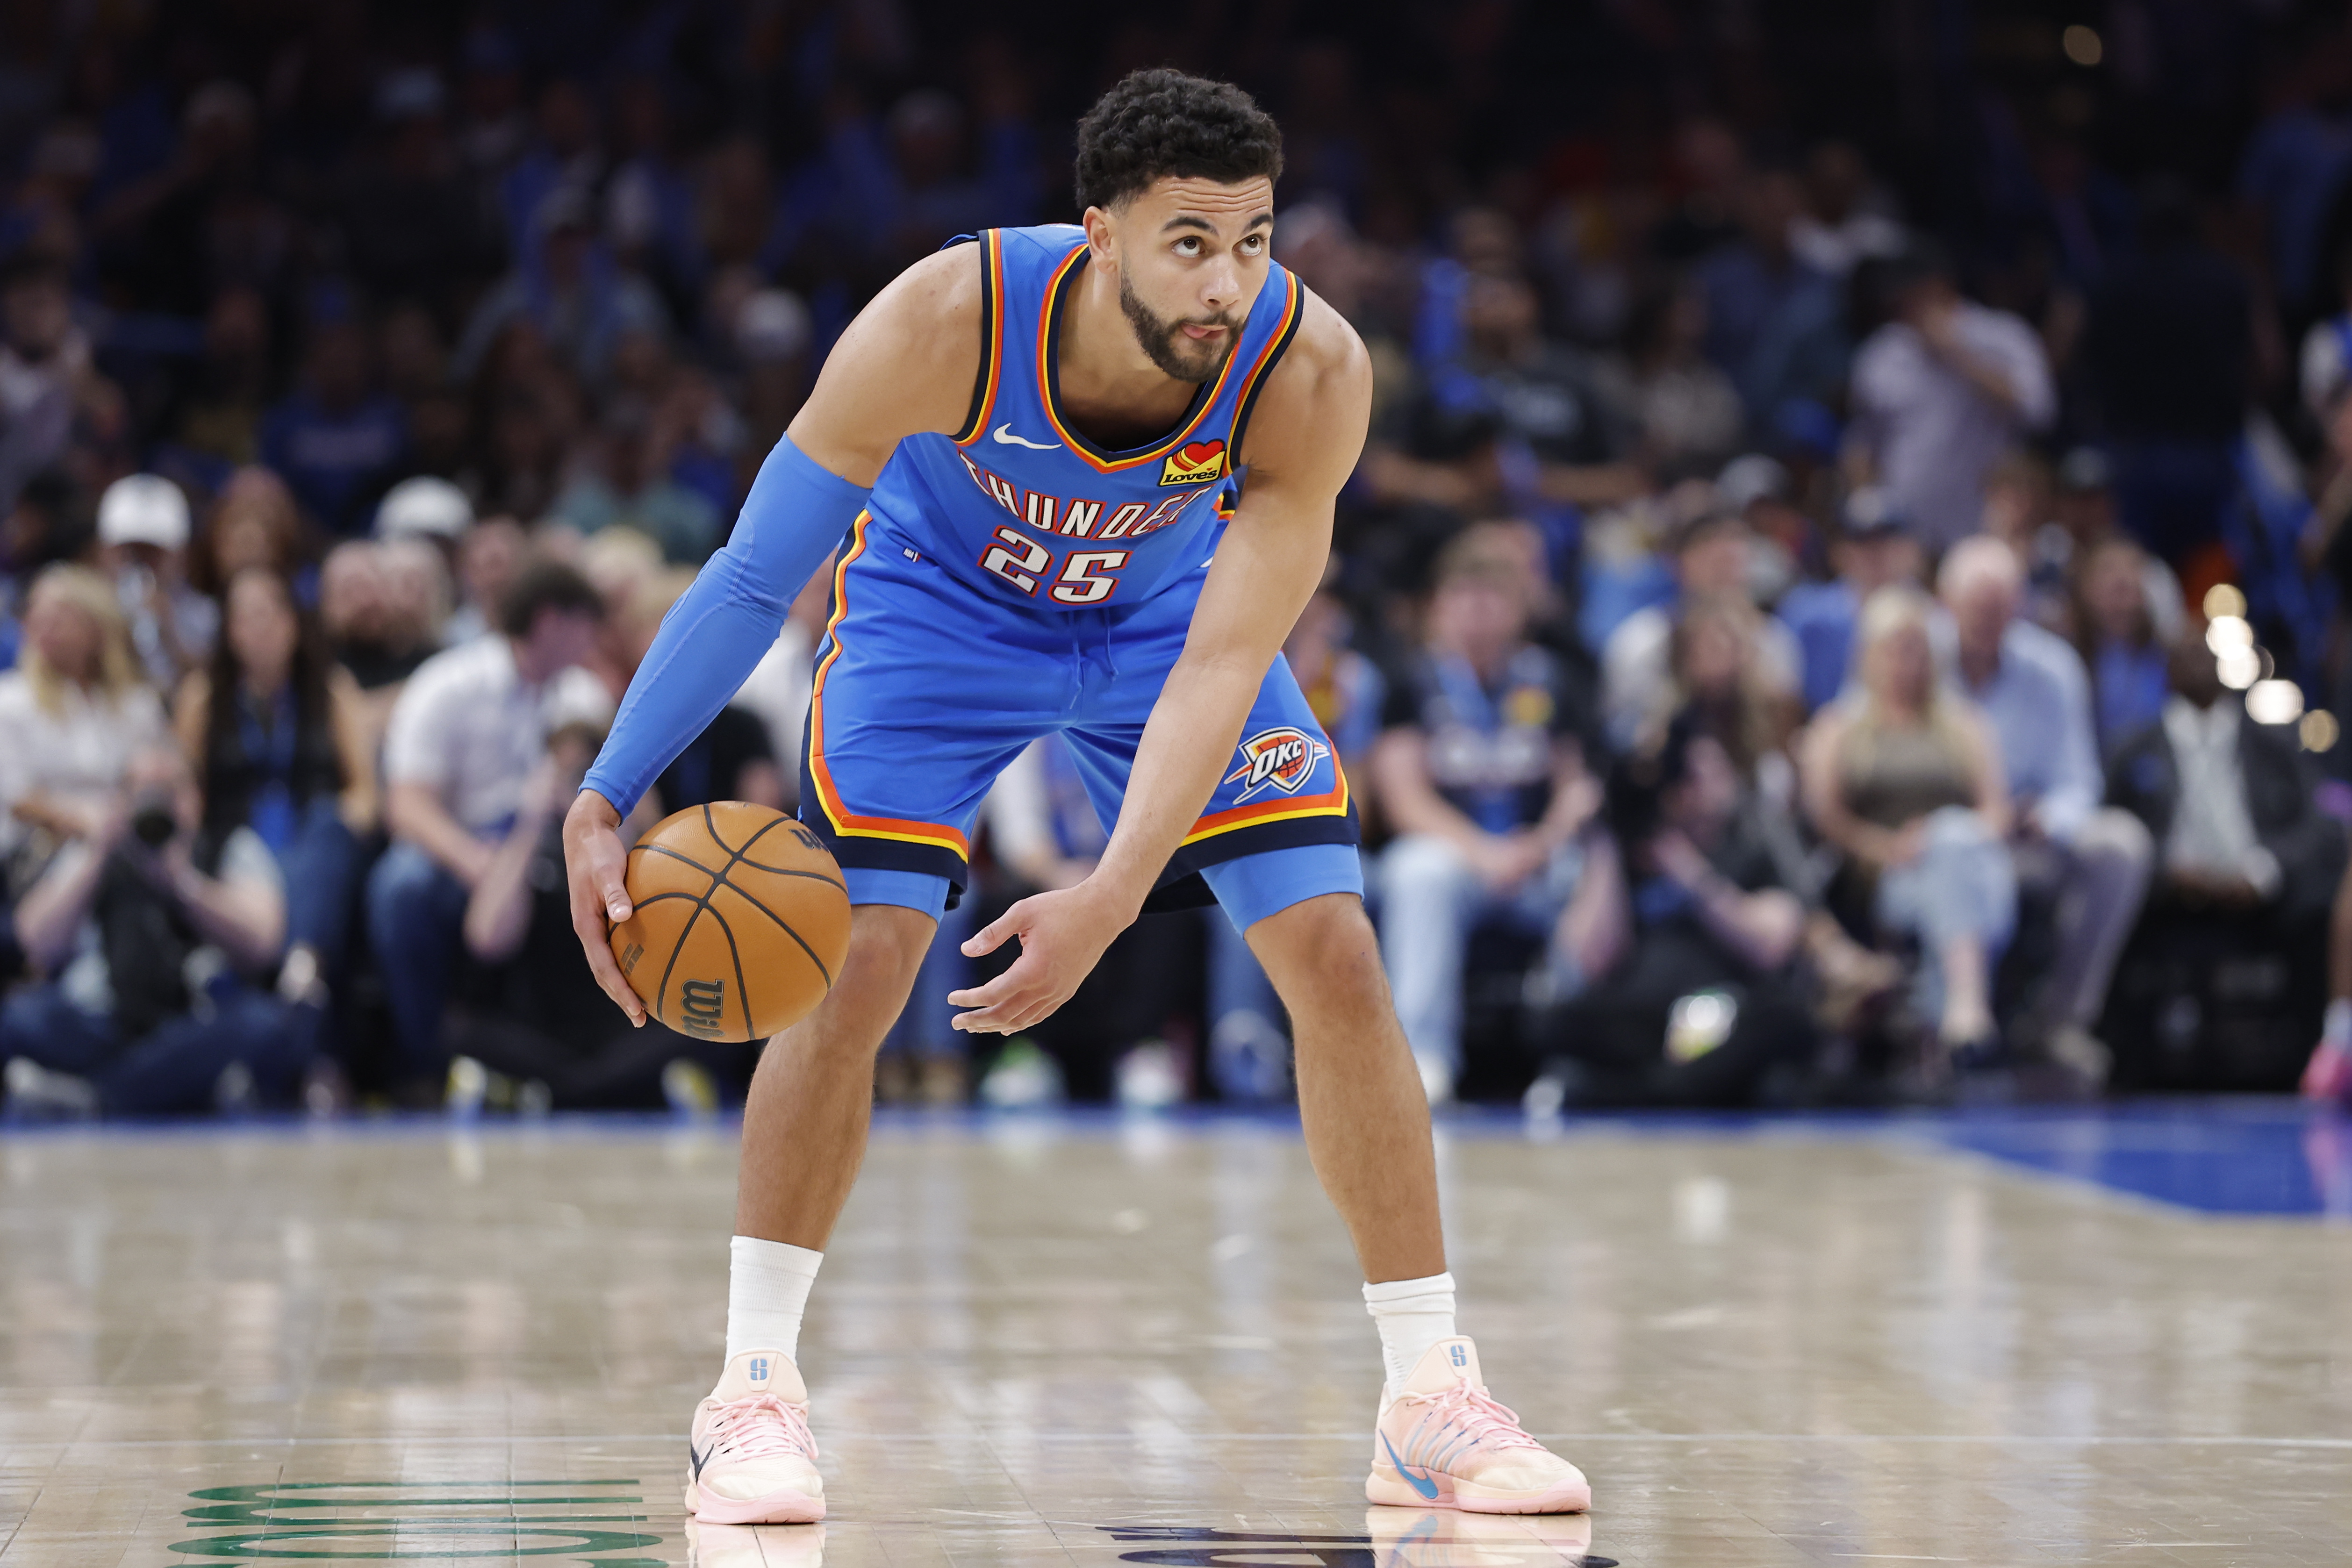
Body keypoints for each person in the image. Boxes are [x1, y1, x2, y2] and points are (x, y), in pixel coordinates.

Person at [562, 71, 1591, 1526]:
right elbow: (748, 574)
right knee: (856, 965)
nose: (1230, 278)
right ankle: (750, 1387)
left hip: (1164, 633)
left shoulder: (1311, 369)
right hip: (938, 619)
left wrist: (1109, 898)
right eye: (1189, 240)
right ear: (1095, 231)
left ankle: (1428, 1392)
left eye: (1253, 238)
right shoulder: (947, 319)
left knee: (1338, 953)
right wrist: (608, 789)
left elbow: (1229, 657)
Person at [1371, 535, 1602, 1103]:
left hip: (1536, 857)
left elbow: (1578, 787)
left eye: (1492, 598)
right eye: (1464, 597)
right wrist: (1485, 854)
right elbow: (1405, 801)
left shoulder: (1552, 680)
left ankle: (1576, 1057)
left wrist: (1542, 842)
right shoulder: (1411, 683)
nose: (1478, 611)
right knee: (1417, 872)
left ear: (1519, 609)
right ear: (1438, 608)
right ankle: (1423, 1056)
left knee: (1596, 869)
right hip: (1458, 860)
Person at [373, 558, 609, 1097]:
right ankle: (425, 1061)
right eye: (585, 627)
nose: (592, 642)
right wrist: (470, 859)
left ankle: (573, 1054)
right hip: (460, 842)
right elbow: (407, 805)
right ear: (550, 622)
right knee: (401, 886)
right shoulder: (448, 684)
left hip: (553, 843)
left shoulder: (584, 697)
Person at [1938, 536, 2152, 1082]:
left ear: (2021, 605)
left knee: (2120, 845)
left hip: (2028, 846)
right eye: (1976, 604)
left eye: (2001, 604)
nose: (1989, 616)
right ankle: (1957, 1022)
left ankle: (2059, 1021)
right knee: (1954, 844)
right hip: (1944, 845)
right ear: (1946, 601)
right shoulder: (1918, 660)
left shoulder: (2053, 668)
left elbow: (2079, 783)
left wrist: (2048, 818)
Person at [0, 744, 313, 1117]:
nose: (158, 805)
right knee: (22, 1016)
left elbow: (264, 942)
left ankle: (96, 1098)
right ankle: (170, 1090)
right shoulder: (97, 853)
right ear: (122, 800)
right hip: (103, 1025)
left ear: (197, 796)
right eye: (145, 793)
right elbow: (34, 941)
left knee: (263, 1022)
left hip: (194, 1025)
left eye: (171, 791)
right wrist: (98, 856)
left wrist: (183, 885)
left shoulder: (228, 845)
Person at [445, 719, 738, 1111]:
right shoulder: (532, 855)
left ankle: (543, 1094)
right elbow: (487, 939)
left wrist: (635, 812)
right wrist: (529, 823)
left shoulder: (637, 853)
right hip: (547, 1033)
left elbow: (691, 929)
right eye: (564, 776)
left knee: (699, 1034)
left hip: (624, 1031)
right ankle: (617, 1091)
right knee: (459, 1030)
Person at [1530, 711, 1814, 1107]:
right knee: (1554, 1022)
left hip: (1729, 1009)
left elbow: (1772, 944)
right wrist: (1606, 839)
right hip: (1643, 1016)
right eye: (1687, 774)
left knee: (1787, 1022)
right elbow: (1591, 959)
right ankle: (1677, 1085)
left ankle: (1635, 1090)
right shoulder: (1629, 851)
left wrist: (1690, 872)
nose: (1697, 786)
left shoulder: (1751, 843)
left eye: (1712, 769)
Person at [1801, 587, 2015, 1065]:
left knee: (1955, 845)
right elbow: (1825, 817)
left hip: (1965, 859)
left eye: (1916, 649)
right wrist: (1886, 847)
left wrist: (1942, 837)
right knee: (1955, 882)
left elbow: (1996, 812)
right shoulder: (1839, 728)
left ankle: (1952, 1024)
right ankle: (1963, 1016)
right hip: (1885, 875)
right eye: (1894, 649)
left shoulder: (1964, 724)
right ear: (1868, 655)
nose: (1906, 661)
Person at [173, 567, 376, 1006]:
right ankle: (299, 971)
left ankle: (302, 963)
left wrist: (329, 836)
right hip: (236, 846)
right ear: (230, 633)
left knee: (328, 824)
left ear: (294, 623)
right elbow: (185, 790)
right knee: (247, 861)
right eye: (246, 618)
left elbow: (365, 795)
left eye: (270, 615)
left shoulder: (332, 689)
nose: (260, 630)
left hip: (312, 846)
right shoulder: (203, 696)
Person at [1846, 246, 2056, 553]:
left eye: (1916, 293)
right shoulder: (1883, 354)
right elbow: (1863, 444)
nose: (1908, 306)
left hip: (1987, 524)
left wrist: (1958, 354)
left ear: (1943, 286)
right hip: (1907, 531)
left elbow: (2040, 410)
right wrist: (1865, 510)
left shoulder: (2003, 335)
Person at [0, 564, 170, 867]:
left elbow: (159, 778)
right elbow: (16, 797)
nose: (46, 625)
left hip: (127, 845)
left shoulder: (138, 703)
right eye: (37, 615)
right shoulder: (11, 700)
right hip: (41, 853)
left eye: (61, 615)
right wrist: (84, 820)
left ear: (97, 627)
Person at [1775, 488, 1925, 715]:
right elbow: (1785, 699)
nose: (1875, 555)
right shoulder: (1808, 617)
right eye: (1862, 543)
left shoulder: (1930, 615)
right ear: (1839, 553)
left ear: (1909, 549)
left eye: (1886, 541)